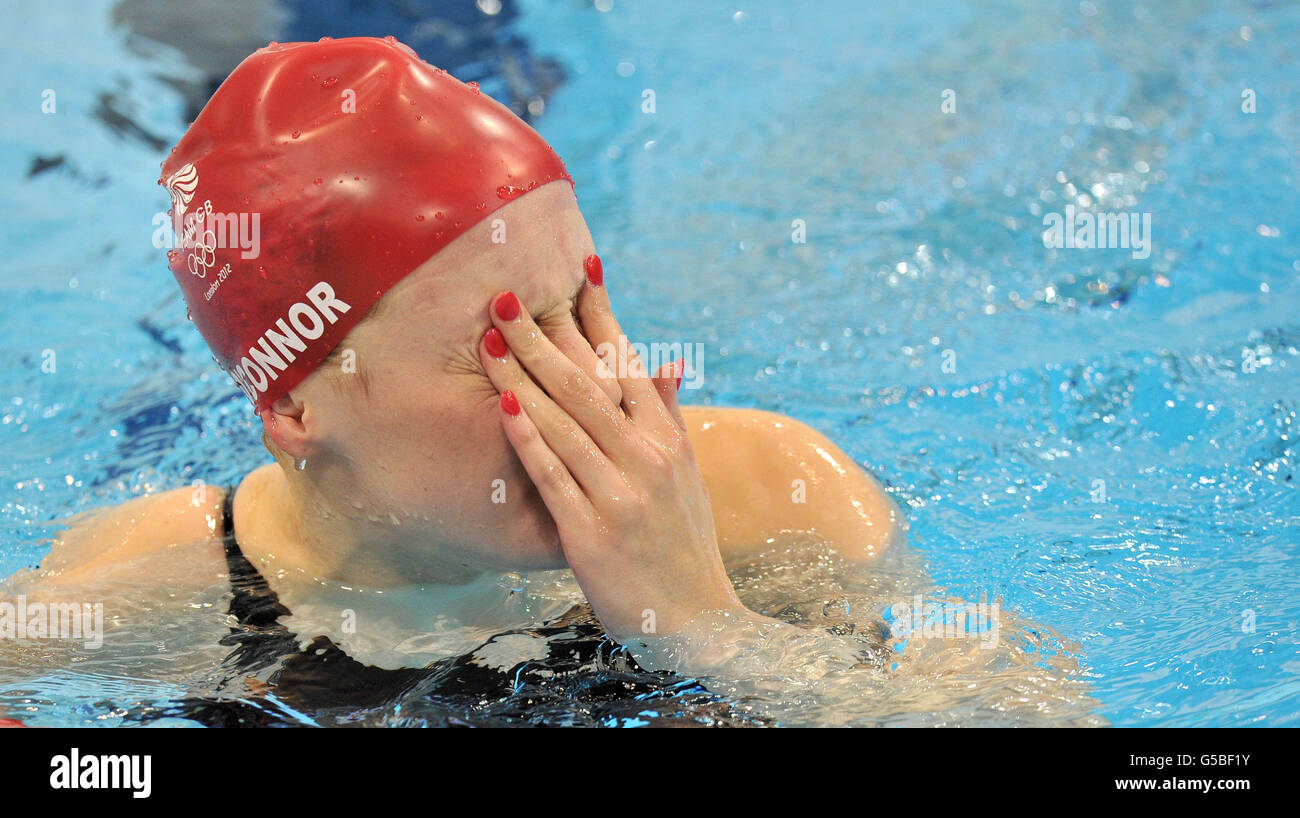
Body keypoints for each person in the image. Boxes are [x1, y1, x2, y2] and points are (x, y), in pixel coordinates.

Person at [8, 37, 904, 688]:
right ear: (291, 409)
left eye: (580, 314)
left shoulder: (774, 502)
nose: (583, 382)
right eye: (500, 350)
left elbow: (1012, 711)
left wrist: (712, 632)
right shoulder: (168, 590)